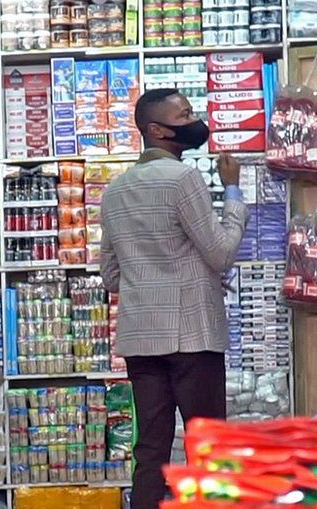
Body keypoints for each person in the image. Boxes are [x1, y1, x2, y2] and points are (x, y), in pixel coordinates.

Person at [100, 88, 248, 509]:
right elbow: (219, 253)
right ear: (157, 129)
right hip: (191, 336)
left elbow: (112, 276)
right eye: (184, 115)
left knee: (150, 448)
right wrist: (233, 193)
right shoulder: (182, 178)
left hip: (141, 341)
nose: (194, 120)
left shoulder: (115, 190)